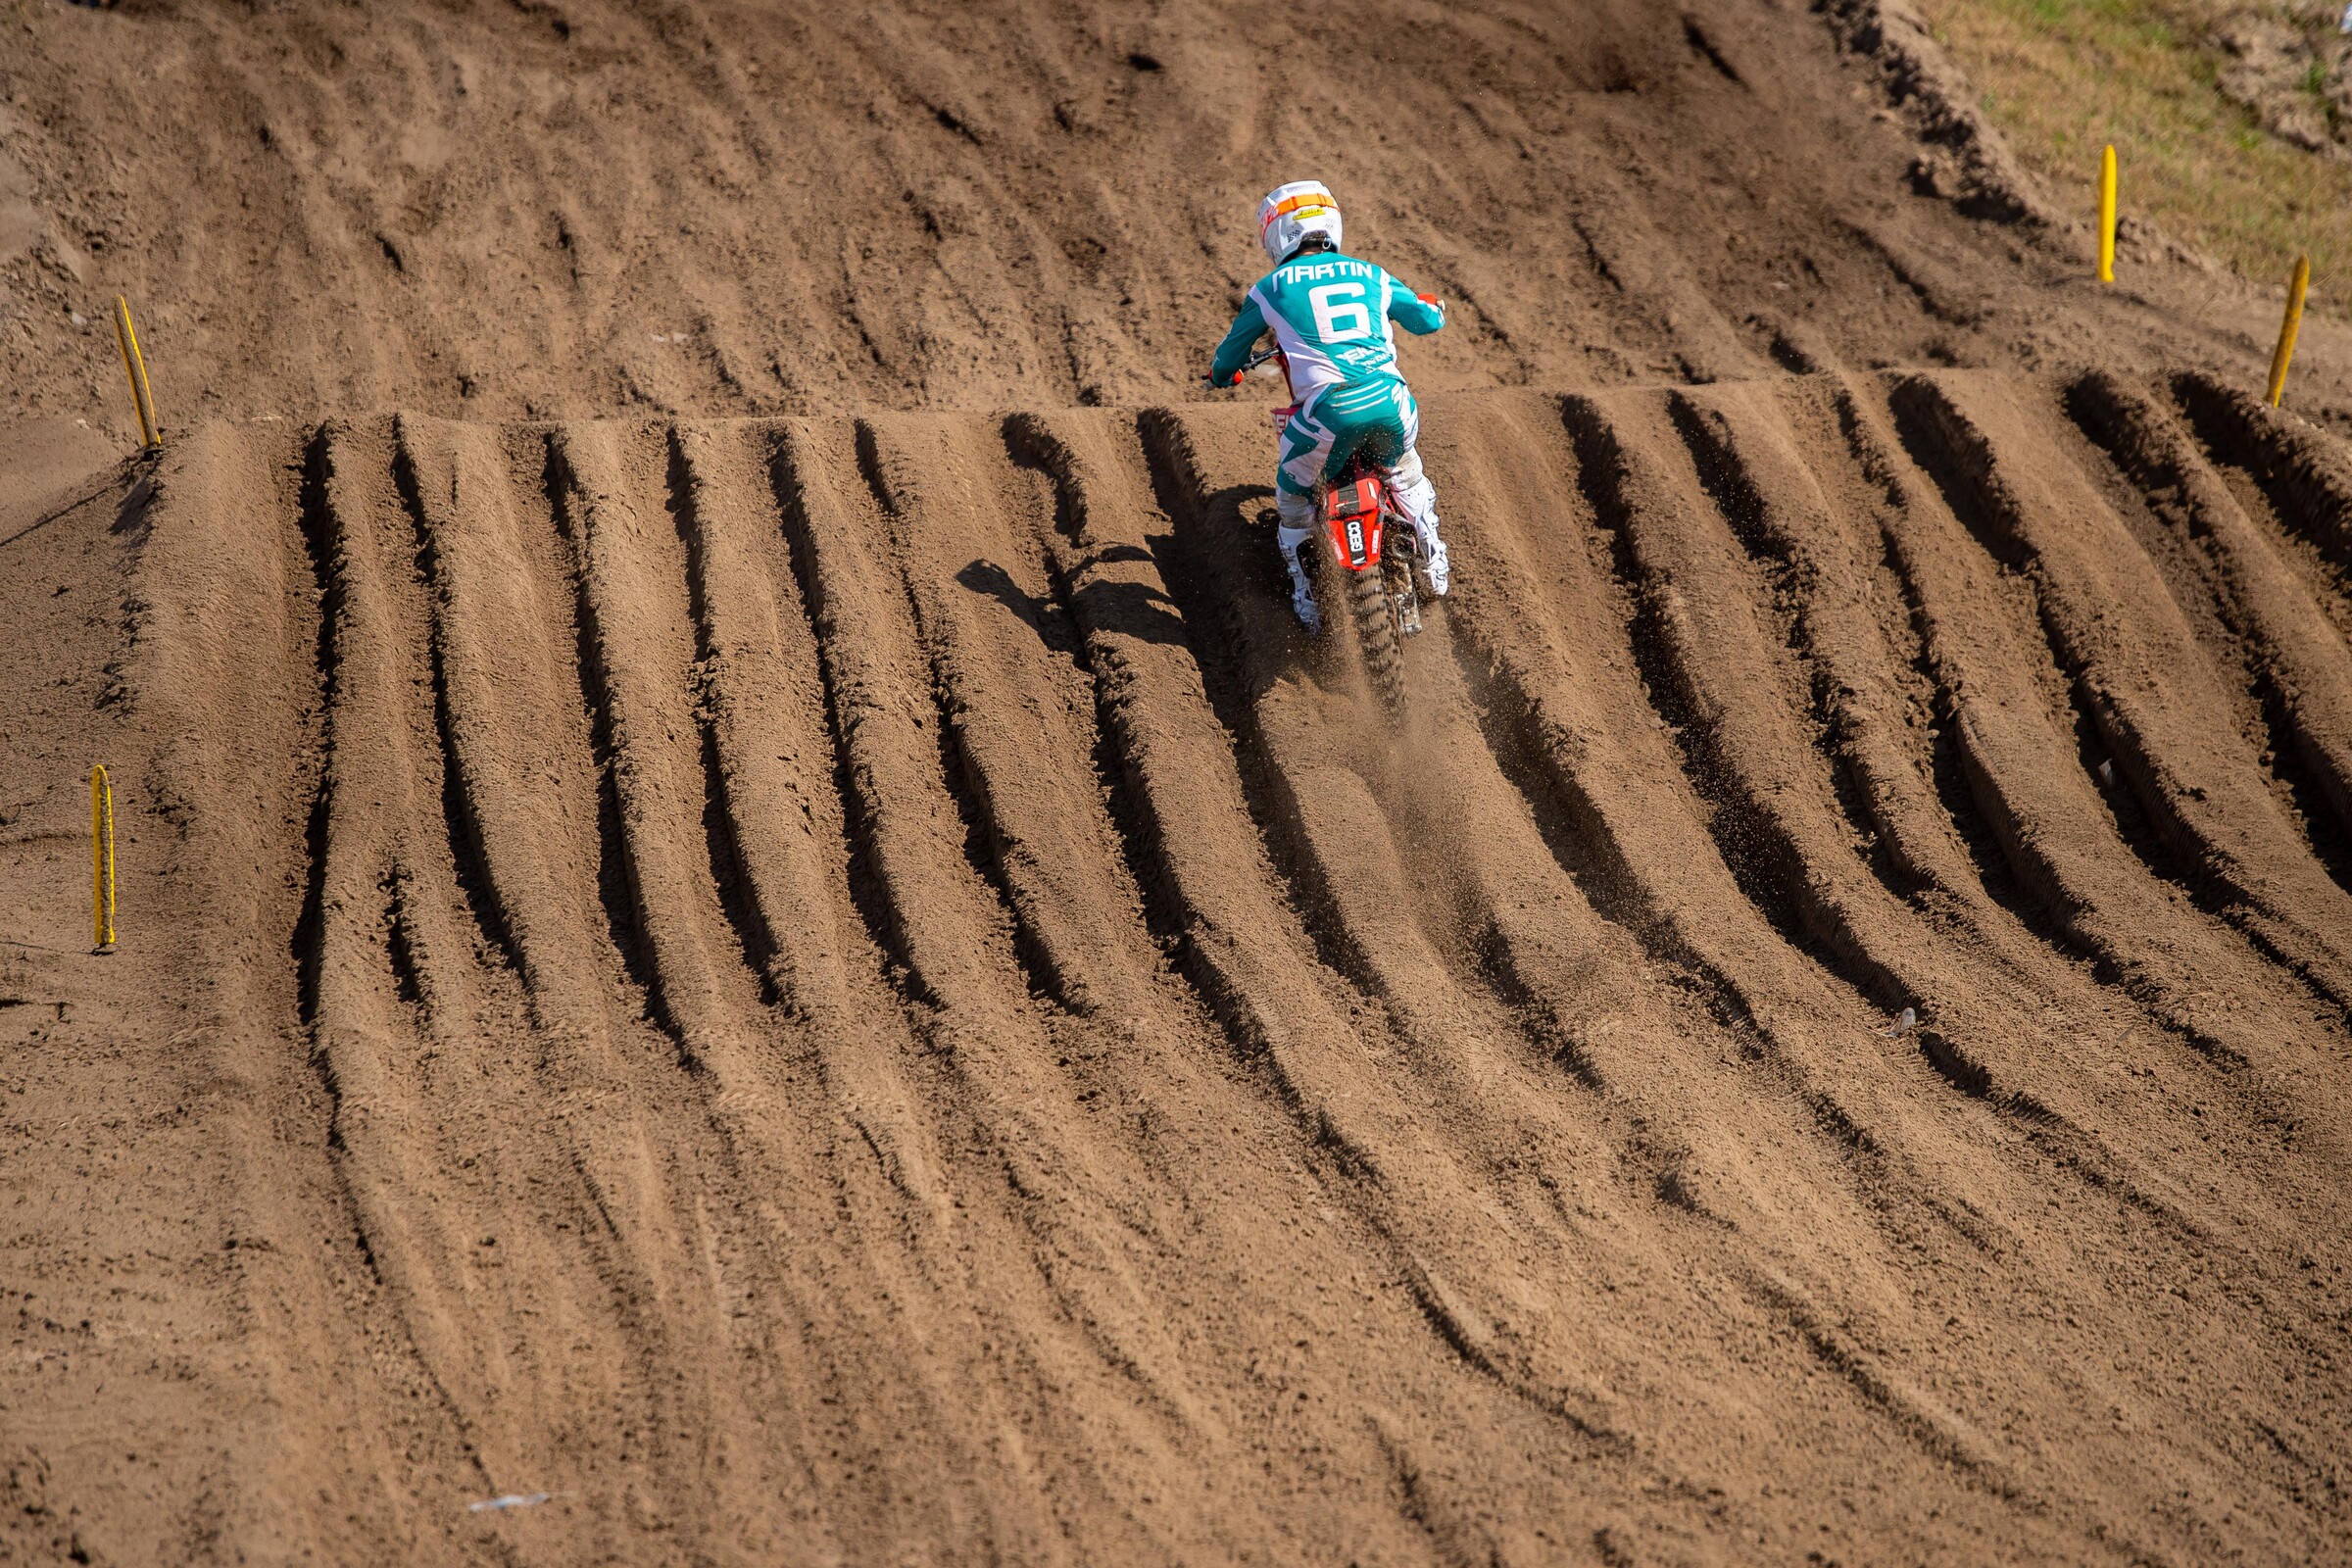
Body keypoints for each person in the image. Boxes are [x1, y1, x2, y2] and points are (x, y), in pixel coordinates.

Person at [1208, 179, 1451, 634]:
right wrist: (1435, 308)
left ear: (1276, 234)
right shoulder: (1371, 273)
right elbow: (1425, 320)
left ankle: (1307, 598)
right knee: (1406, 472)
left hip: (1327, 416)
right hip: (1393, 403)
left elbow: (1226, 359)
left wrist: (1223, 375)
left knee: (1292, 499)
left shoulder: (1269, 288)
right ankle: (1433, 557)